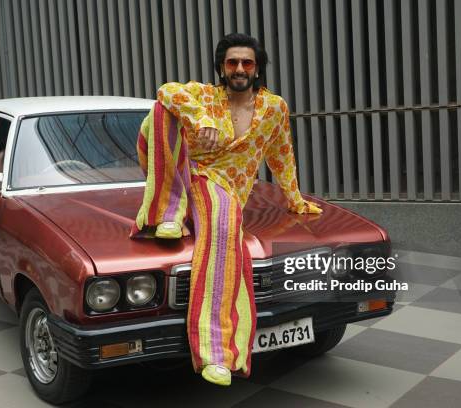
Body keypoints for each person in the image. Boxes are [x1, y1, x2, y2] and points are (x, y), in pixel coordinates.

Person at [131, 33, 322, 386]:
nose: (238, 69)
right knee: (161, 110)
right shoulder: (206, 95)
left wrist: (294, 199)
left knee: (222, 231)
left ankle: (215, 353)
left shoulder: (274, 108)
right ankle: (166, 213)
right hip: (179, 169)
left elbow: (282, 156)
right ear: (221, 67)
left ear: (257, 69)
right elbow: (166, 91)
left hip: (219, 186)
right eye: (232, 62)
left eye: (246, 63)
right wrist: (200, 116)